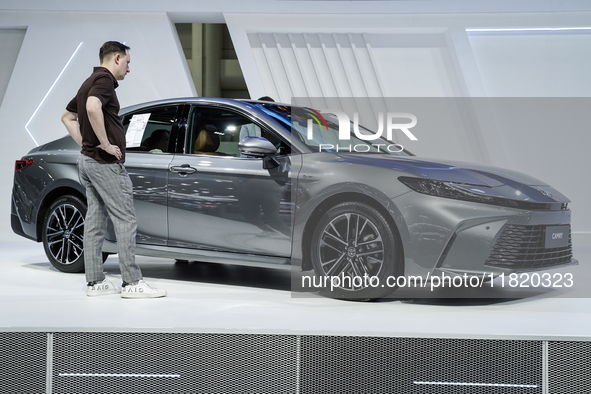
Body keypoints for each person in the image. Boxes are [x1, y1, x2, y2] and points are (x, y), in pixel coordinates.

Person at [61, 41, 166, 298]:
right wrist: (105, 145)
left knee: (95, 221)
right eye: (128, 63)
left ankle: (95, 281)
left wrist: (87, 144)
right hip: (104, 164)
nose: (129, 69)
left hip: (87, 162)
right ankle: (132, 282)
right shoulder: (104, 80)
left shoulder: (88, 81)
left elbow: (66, 116)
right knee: (126, 219)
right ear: (116, 58)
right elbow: (92, 108)